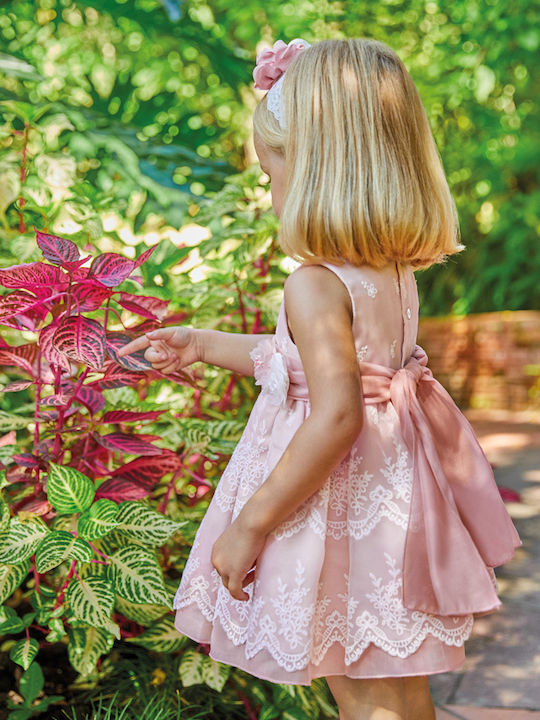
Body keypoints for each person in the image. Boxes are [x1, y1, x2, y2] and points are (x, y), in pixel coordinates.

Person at [117, 38, 521, 720]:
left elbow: (336, 414)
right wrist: (203, 344)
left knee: (361, 694)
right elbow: (315, 368)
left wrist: (250, 524)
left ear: (315, 173)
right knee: (398, 682)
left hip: (333, 517)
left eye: (271, 173)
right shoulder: (389, 274)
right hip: (389, 504)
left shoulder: (314, 283)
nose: (269, 189)